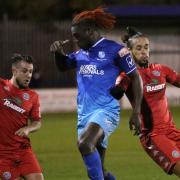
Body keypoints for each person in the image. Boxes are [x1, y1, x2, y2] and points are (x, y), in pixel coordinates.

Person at [50, 8, 142, 180]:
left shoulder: (116, 50)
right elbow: (63, 66)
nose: (75, 40)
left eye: (77, 36)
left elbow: (135, 78)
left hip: (106, 111)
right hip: (84, 114)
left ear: (90, 31)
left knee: (85, 144)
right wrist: (57, 53)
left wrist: (136, 112)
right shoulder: (80, 54)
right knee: (99, 171)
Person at [111, 27, 180, 177]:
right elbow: (117, 90)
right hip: (153, 136)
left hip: (172, 132)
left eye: (146, 47)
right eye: (139, 48)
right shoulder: (127, 76)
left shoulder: (161, 70)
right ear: (129, 51)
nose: (144, 51)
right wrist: (115, 86)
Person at [0, 54, 44, 180]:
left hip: (24, 151)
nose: (29, 75)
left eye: (30, 71)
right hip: (3, 154)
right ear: (14, 71)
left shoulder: (33, 96)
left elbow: (37, 122)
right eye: (25, 71)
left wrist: (28, 129)